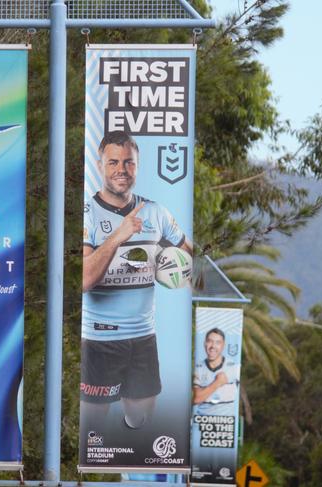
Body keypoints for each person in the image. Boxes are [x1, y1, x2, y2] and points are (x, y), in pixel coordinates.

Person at [81, 131, 192, 431]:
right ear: (100, 165)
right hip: (100, 340)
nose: (121, 170)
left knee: (139, 425)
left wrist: (176, 269)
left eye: (129, 163)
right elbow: (84, 278)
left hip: (143, 337)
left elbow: (188, 255)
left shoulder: (156, 212)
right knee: (93, 432)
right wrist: (119, 235)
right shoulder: (88, 214)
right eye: (113, 162)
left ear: (137, 165)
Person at [192, 328, 240, 416]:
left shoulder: (233, 367)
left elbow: (199, 396)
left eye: (218, 342)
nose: (213, 346)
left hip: (226, 425)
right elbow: (197, 398)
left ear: (223, 345)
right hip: (202, 424)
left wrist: (204, 391)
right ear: (204, 343)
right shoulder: (198, 368)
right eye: (210, 341)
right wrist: (218, 382)